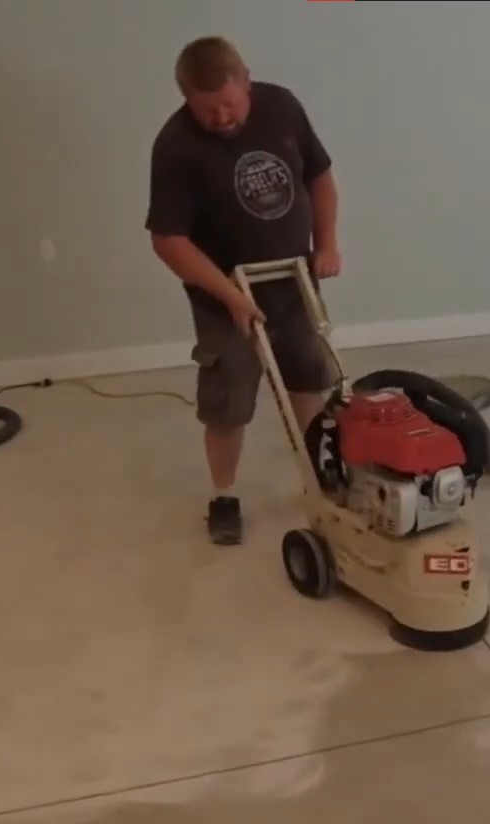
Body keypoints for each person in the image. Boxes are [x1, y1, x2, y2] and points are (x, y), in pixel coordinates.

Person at [144, 36, 342, 545]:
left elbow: (320, 177)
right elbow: (168, 241)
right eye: (207, 110)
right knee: (228, 402)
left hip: (294, 281)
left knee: (309, 380)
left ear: (246, 80)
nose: (222, 118)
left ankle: (318, 477)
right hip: (224, 296)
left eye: (229, 104)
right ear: (186, 98)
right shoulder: (176, 146)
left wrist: (327, 243)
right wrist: (231, 295)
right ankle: (224, 497)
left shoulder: (282, 107)